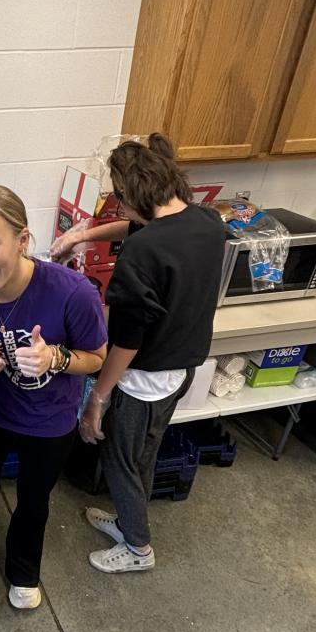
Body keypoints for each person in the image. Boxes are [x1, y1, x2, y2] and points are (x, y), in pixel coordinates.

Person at [0, 185, 107, 614]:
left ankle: (23, 571)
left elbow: (97, 358)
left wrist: (55, 357)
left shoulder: (72, 293)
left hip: (50, 421)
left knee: (34, 502)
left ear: (22, 239)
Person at [79, 134, 226, 573]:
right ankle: (130, 522)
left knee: (119, 458)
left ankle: (138, 549)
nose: (120, 209)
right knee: (144, 453)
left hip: (143, 378)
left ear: (132, 193)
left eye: (120, 199)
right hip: (180, 370)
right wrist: (81, 236)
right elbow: (142, 228)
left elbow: (127, 340)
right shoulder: (206, 221)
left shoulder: (143, 252)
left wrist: (97, 398)